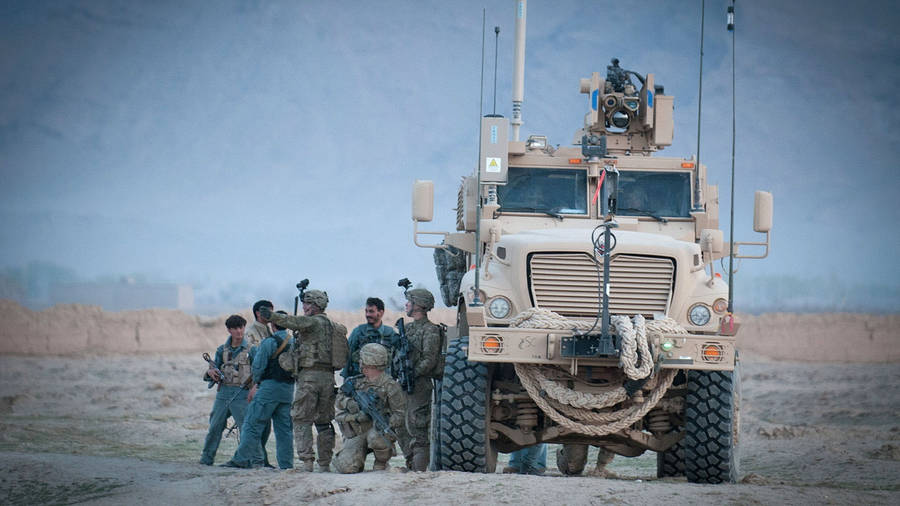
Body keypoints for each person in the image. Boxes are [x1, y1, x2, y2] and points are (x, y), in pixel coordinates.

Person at [262, 289, 337, 472]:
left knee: (301, 419)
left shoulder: (313, 322)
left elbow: (292, 322)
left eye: (307, 304)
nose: (304, 307)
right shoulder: (332, 325)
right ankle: (325, 464)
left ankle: (307, 462)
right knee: (324, 422)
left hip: (309, 378)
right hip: (328, 378)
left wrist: (271, 316)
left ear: (316, 305)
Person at [221, 316, 294, 469]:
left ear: (273, 325)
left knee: (252, 425)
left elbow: (258, 367)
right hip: (288, 391)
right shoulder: (295, 343)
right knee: (284, 431)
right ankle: (286, 465)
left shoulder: (269, 342)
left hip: (268, 390)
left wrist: (257, 384)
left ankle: (241, 459)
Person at [333, 343, 406, 473]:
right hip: (358, 431)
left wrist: (387, 421)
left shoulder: (390, 386)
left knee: (376, 438)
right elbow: (339, 399)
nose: (360, 364)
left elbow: (400, 414)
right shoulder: (355, 382)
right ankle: (357, 460)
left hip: (378, 431)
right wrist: (349, 403)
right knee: (346, 467)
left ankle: (381, 463)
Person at [395, 287, 442, 472]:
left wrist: (413, 373)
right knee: (400, 424)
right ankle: (410, 462)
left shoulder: (430, 330)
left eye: (409, 302)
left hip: (419, 384)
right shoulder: (408, 329)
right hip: (404, 382)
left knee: (417, 426)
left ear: (418, 305)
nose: (406, 305)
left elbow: (429, 360)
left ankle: (419, 470)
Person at [199, 315, 253, 465]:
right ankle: (206, 459)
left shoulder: (252, 350)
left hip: (242, 394)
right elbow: (213, 367)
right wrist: (211, 372)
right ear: (229, 330)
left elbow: (258, 371)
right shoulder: (222, 350)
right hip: (223, 393)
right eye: (235, 328)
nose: (239, 331)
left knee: (246, 429)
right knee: (215, 427)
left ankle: (246, 461)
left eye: (241, 327)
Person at [244, 299, 274, 466]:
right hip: (257, 384)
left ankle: (261, 459)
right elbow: (253, 358)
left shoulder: (268, 331)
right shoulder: (252, 333)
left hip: (266, 384)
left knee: (265, 426)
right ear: (258, 313)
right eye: (268, 311)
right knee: (256, 425)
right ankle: (256, 459)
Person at [341, 297, 396, 379]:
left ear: (381, 312)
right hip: (360, 379)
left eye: (371, 311)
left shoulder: (390, 333)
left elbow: (396, 358)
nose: (367, 315)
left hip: (383, 381)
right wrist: (346, 377)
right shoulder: (359, 332)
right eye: (366, 311)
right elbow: (347, 355)